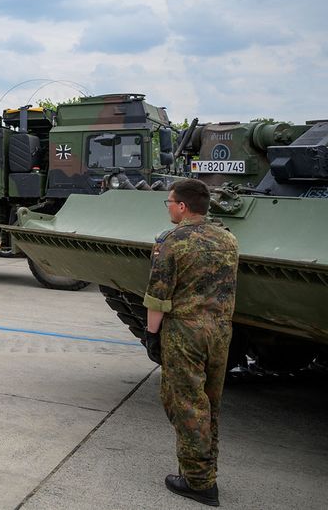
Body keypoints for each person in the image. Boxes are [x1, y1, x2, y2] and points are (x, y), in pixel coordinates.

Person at [143, 178, 238, 506]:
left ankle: (198, 482)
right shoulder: (228, 238)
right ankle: (206, 469)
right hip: (220, 334)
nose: (168, 206)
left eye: (169, 201)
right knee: (210, 403)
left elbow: (158, 297)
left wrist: (151, 335)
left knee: (184, 403)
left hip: (185, 334)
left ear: (182, 206)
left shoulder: (172, 241)